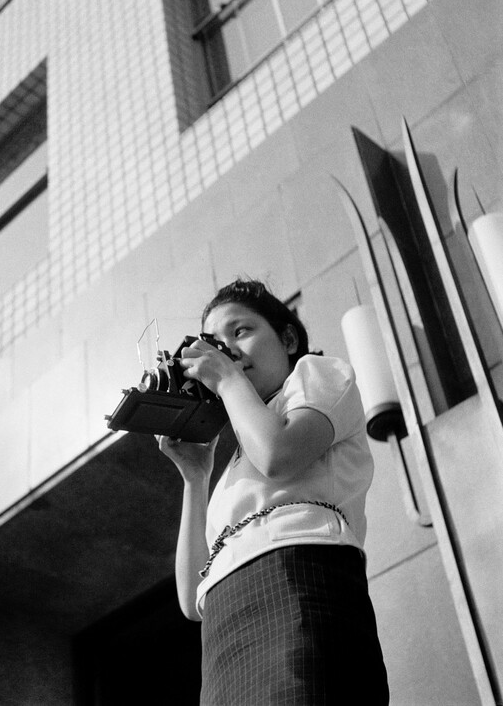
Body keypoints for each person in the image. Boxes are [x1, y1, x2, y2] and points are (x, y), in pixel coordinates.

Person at [157, 278, 388, 705]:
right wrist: (196, 477)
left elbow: (279, 454)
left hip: (297, 578)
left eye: (240, 331)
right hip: (224, 629)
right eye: (215, 345)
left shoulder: (317, 375)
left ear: (287, 337)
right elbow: (192, 600)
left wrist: (227, 382)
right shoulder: (234, 462)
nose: (227, 353)